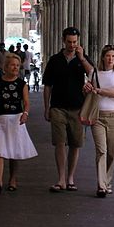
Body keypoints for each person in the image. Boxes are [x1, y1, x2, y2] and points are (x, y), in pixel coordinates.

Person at [42, 26, 93, 192]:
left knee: (75, 144)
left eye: (75, 42)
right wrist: (46, 107)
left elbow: (93, 75)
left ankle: (71, 177)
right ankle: (61, 178)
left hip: (78, 108)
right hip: (58, 107)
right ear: (64, 41)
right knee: (59, 143)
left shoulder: (82, 59)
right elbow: (48, 85)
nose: (72, 45)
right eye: (69, 42)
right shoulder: (55, 60)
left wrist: (82, 58)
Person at [0, 52, 37, 193]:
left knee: (14, 152)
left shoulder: (21, 84)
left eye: (18, 65)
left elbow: (26, 102)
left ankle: (12, 179)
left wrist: (25, 114)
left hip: (15, 120)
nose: (15, 68)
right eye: (12, 65)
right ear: (5, 67)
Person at [83, 44, 114, 198]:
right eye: (108, 56)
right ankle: (101, 185)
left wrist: (100, 91)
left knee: (112, 152)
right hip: (97, 116)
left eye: (113, 56)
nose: (110, 59)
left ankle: (107, 181)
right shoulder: (94, 73)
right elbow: (86, 90)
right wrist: (87, 88)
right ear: (103, 57)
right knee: (101, 151)